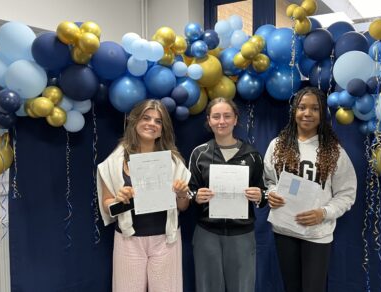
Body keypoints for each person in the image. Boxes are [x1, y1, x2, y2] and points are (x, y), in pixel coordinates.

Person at [263, 87, 357, 292]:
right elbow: (269, 181)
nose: (307, 113)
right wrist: (271, 194)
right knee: (291, 288)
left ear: (322, 114)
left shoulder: (333, 151)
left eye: (315, 109)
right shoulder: (277, 146)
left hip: (317, 234)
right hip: (284, 229)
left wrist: (324, 213)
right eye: (302, 107)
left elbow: (347, 194)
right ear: (294, 111)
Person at [97, 99, 191, 292]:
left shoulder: (174, 162)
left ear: (163, 129)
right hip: (128, 238)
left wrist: (182, 194)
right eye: (146, 118)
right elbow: (107, 204)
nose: (152, 124)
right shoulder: (114, 161)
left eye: (158, 121)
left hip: (166, 239)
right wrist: (118, 200)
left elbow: (183, 207)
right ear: (135, 121)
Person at [188, 97, 267, 292]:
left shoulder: (252, 155)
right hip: (207, 233)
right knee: (207, 288)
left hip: (242, 234)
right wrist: (196, 196)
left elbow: (264, 193)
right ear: (209, 120)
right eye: (216, 116)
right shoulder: (200, 153)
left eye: (227, 116)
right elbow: (189, 191)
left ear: (235, 119)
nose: (221, 121)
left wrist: (259, 196)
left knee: (243, 287)